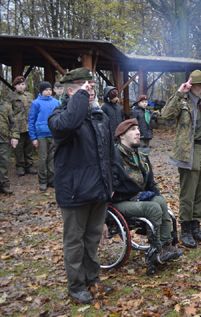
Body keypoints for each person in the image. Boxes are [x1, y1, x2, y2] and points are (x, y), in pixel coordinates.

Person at [48, 68, 118, 304]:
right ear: (70, 90)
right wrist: (79, 99)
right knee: (75, 243)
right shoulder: (58, 116)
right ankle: (76, 285)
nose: (91, 90)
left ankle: (92, 279)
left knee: (92, 239)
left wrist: (111, 183)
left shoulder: (99, 117)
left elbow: (109, 155)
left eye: (92, 86)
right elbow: (68, 124)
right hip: (75, 192)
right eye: (84, 86)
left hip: (98, 191)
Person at [111, 118, 183, 263]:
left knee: (160, 202)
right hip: (118, 202)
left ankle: (165, 246)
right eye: (132, 130)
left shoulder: (141, 156)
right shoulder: (114, 156)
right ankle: (155, 250)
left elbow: (151, 183)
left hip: (137, 198)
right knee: (153, 208)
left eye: (138, 129)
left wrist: (159, 197)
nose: (137, 132)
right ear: (121, 136)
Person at [162, 70, 201, 249]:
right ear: (191, 86)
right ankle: (185, 229)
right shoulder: (183, 102)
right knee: (189, 193)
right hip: (189, 150)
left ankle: (195, 227)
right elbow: (166, 115)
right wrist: (180, 92)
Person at [28, 81, 59, 191]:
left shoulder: (56, 102)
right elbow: (31, 120)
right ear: (41, 91)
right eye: (46, 90)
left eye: (50, 90)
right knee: (42, 158)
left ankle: (52, 180)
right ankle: (42, 181)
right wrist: (33, 137)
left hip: (53, 134)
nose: (48, 92)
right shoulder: (36, 103)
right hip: (41, 135)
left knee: (52, 158)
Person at [6, 76, 36, 176]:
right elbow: (9, 112)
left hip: (29, 126)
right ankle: (19, 167)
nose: (21, 86)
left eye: (22, 84)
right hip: (17, 127)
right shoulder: (11, 97)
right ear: (15, 86)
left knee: (29, 148)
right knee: (18, 149)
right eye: (18, 84)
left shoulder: (30, 96)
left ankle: (29, 166)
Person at [0, 100, 19, 194]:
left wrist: (15, 136)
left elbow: (14, 122)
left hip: (4, 139)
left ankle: (4, 184)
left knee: (4, 161)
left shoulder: (6, 105)